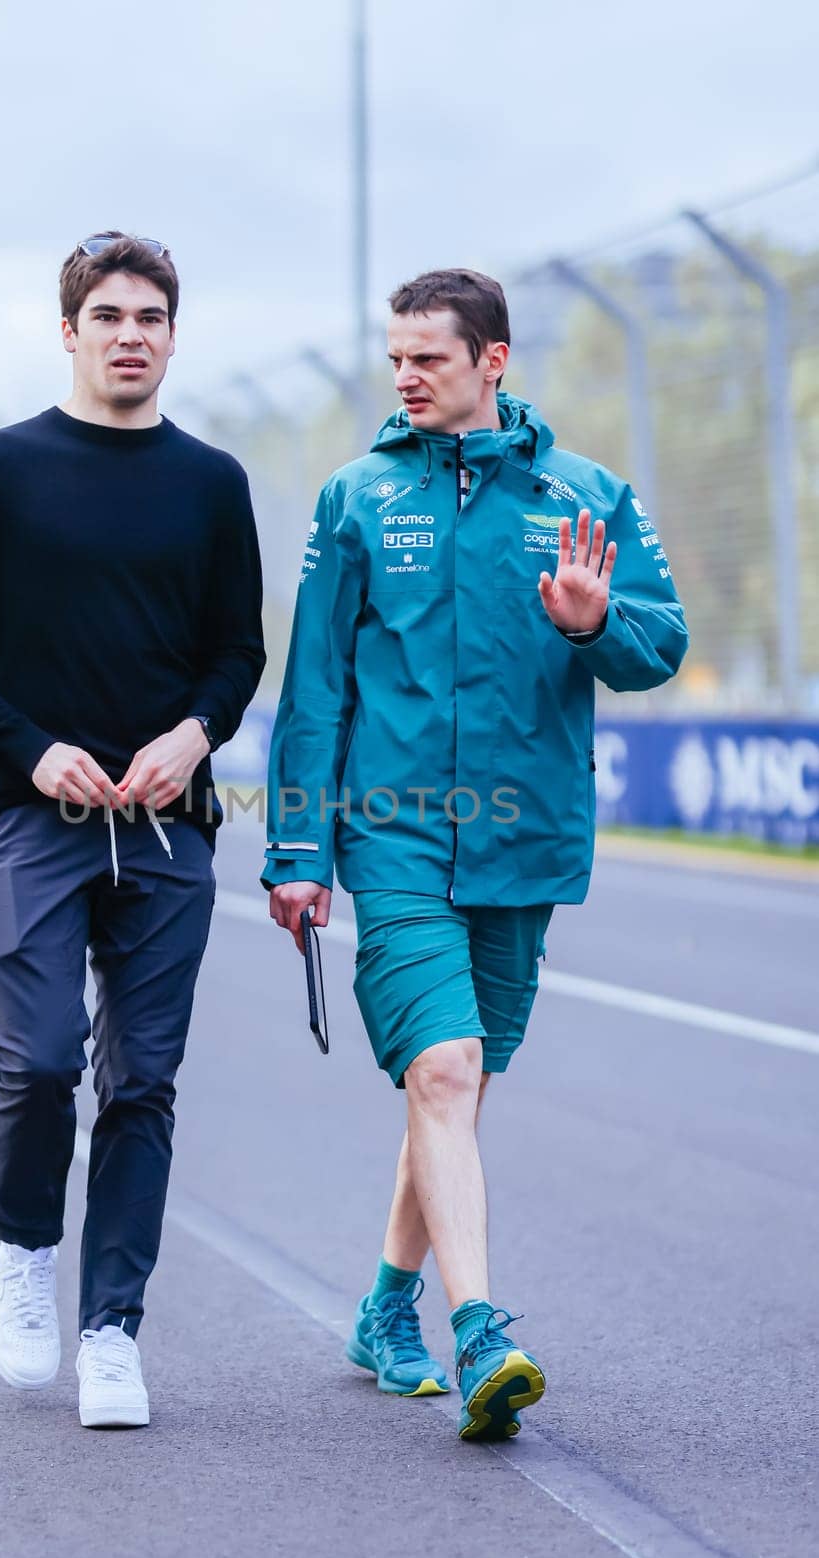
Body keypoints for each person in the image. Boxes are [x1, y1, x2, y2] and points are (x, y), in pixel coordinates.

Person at [263, 268, 687, 1441]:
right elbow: (315, 687)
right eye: (393, 356)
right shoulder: (354, 497)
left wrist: (589, 622)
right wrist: (296, 844)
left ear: (491, 361)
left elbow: (659, 643)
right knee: (443, 1070)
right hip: (389, 837)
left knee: (453, 1084)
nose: (402, 375)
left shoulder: (585, 494)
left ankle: (383, 1309)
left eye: (426, 358)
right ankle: (482, 1331)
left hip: (524, 839)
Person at [0, 231, 265, 1428]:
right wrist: (27, 746)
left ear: (172, 333)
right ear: (68, 330)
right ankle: (24, 1254)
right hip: (30, 816)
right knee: (42, 1058)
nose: (129, 334)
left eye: (150, 315)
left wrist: (194, 735)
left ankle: (112, 1330)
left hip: (167, 829)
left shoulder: (211, 481)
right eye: (106, 314)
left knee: (143, 1084)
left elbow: (236, 649)